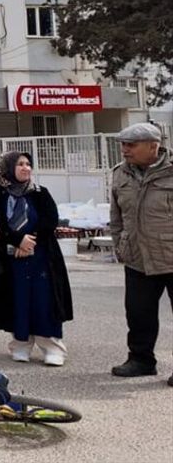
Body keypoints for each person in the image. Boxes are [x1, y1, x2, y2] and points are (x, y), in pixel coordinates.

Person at [0, 151, 73, 366]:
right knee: (16, 299)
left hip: (41, 256)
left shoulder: (40, 193)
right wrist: (17, 240)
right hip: (10, 257)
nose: (26, 168)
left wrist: (29, 242)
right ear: (8, 168)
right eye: (20, 164)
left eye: (28, 164)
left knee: (44, 300)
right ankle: (20, 344)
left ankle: (52, 347)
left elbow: (50, 220)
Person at [107, 122, 173, 384]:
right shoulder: (120, 173)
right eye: (123, 145)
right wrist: (120, 244)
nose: (125, 150)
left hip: (170, 255)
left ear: (153, 146)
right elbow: (116, 216)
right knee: (138, 313)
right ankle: (141, 360)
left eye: (131, 145)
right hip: (137, 258)